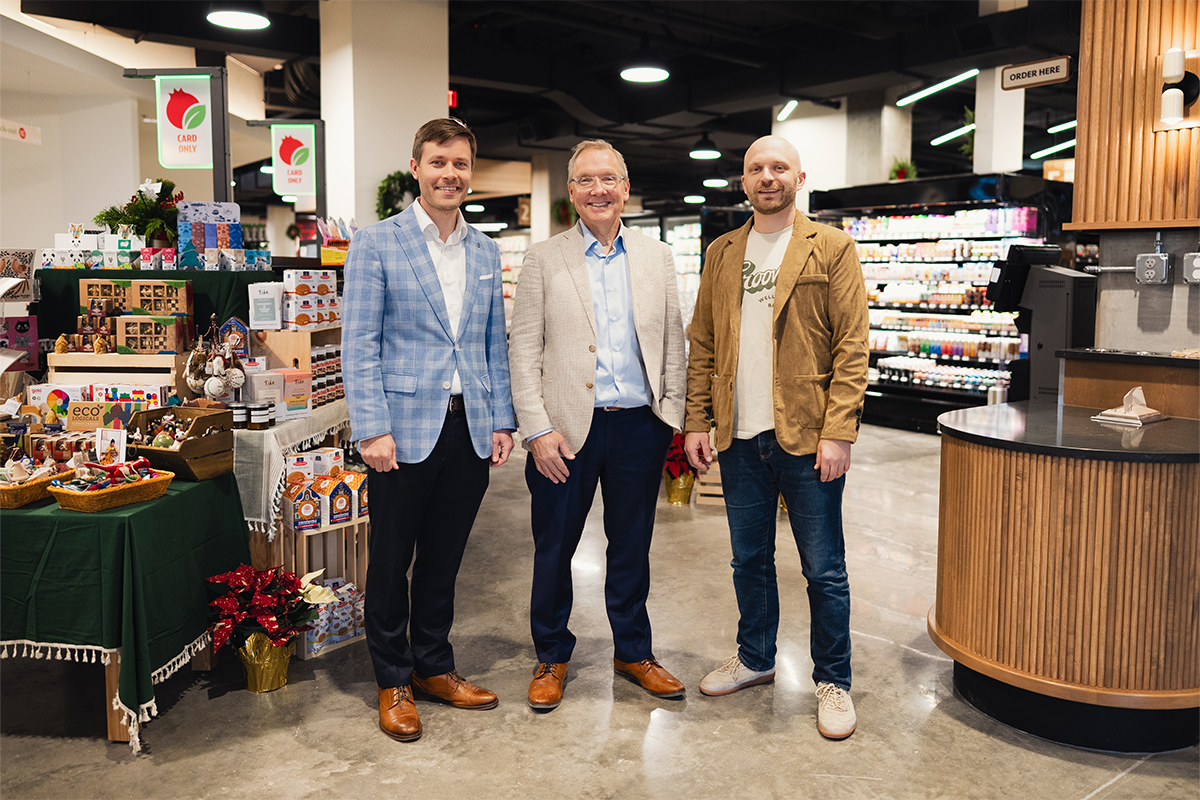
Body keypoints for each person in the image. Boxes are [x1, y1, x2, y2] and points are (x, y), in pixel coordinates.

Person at [683, 135, 869, 740]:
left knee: (824, 569)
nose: (768, 176)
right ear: (743, 182)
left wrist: (839, 432)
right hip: (739, 436)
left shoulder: (832, 247)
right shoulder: (722, 252)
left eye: (779, 167)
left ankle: (833, 681)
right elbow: (702, 344)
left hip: (809, 434)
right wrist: (695, 421)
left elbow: (851, 346)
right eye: (757, 168)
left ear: (800, 177)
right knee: (749, 561)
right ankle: (756, 657)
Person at [342, 117, 516, 743]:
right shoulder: (376, 243)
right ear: (416, 168)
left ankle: (433, 666)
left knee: (443, 560)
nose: (451, 174)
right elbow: (358, 344)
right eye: (438, 162)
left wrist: (502, 419)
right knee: (391, 561)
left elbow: (492, 342)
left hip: (468, 427)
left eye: (461, 164)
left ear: (472, 172)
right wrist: (371, 428)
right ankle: (392, 677)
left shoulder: (486, 250)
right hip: (401, 431)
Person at [508, 140, 688, 711]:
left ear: (625, 187)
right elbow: (523, 351)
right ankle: (552, 654)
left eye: (607, 179)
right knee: (554, 547)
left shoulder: (657, 257)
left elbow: (673, 346)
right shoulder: (544, 258)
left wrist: (674, 421)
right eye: (585, 181)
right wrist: (536, 429)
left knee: (632, 547)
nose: (598, 190)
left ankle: (633, 651)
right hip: (564, 432)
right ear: (572, 193)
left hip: (640, 427)